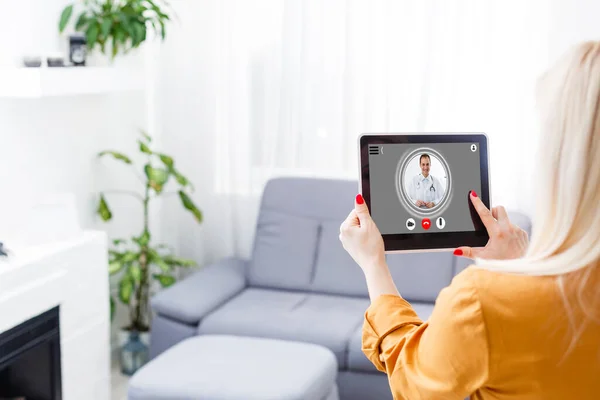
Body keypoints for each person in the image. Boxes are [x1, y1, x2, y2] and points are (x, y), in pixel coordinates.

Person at [339, 41, 600, 399]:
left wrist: (373, 264)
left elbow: (412, 382)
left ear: (562, 157)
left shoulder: (481, 301)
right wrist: (520, 267)